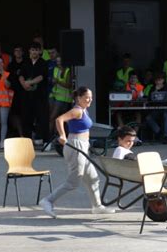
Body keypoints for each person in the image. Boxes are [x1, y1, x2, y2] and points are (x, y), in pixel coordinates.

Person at [39, 87, 116, 218]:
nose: (90, 99)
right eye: (87, 97)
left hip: (82, 146)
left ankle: (97, 206)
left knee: (93, 178)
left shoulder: (84, 110)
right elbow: (59, 120)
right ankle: (47, 201)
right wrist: (62, 135)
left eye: (91, 97)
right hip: (75, 146)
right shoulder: (77, 111)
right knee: (73, 181)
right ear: (78, 98)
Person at [19, 42, 49, 145]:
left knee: (42, 117)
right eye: (32, 50)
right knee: (26, 118)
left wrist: (29, 82)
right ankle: (27, 142)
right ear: (29, 51)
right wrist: (23, 84)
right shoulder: (25, 62)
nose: (34, 52)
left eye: (36, 50)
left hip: (40, 96)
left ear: (40, 51)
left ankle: (46, 141)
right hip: (27, 96)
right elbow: (21, 75)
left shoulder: (43, 63)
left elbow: (41, 77)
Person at [145, 72, 167, 144]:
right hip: (156, 109)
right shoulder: (152, 88)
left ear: (163, 80)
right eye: (156, 80)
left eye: (160, 80)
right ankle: (159, 132)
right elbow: (149, 99)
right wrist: (156, 90)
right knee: (148, 118)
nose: (158, 81)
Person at [115, 71, 143, 143]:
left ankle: (134, 135)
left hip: (135, 107)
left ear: (137, 79)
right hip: (124, 107)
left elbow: (141, 98)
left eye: (135, 78)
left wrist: (139, 94)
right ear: (129, 79)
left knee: (138, 114)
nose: (133, 79)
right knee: (118, 114)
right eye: (132, 78)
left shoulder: (140, 87)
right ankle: (124, 133)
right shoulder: (124, 86)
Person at [48, 56, 72, 137]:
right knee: (53, 117)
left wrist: (57, 81)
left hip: (63, 98)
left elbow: (69, 85)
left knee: (53, 117)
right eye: (57, 61)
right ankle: (54, 137)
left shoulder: (68, 70)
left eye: (60, 61)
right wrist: (53, 81)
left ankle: (50, 138)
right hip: (54, 95)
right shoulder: (55, 69)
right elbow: (53, 80)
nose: (58, 63)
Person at [7, 45, 26, 137]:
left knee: (25, 114)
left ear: (22, 52)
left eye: (19, 51)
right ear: (14, 53)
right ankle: (19, 133)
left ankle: (27, 133)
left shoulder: (27, 63)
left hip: (26, 92)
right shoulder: (11, 65)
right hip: (13, 93)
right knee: (14, 114)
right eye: (16, 51)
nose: (18, 52)